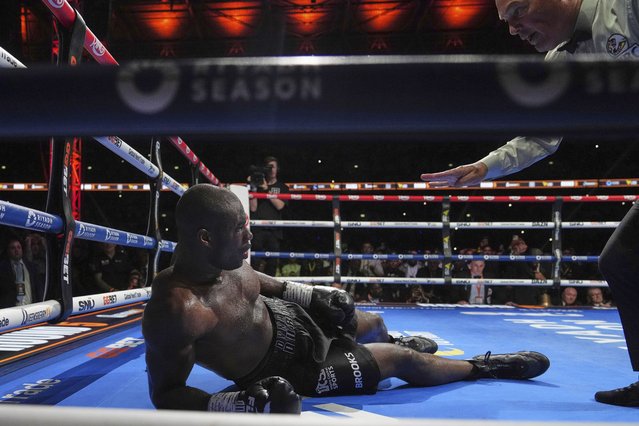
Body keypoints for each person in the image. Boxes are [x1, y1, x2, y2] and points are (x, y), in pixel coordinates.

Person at [142, 184, 549, 413]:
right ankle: (484, 366)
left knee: (371, 322)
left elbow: (257, 279)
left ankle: (386, 342)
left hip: (290, 318)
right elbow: (165, 394)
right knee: (402, 361)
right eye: (239, 230)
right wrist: (234, 403)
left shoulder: (223, 256)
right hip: (293, 368)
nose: (249, 237)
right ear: (205, 238)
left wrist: (306, 293)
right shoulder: (178, 310)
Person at [421, 0, 639, 407]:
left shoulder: (625, 5)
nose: (513, 29)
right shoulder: (561, 63)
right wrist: (484, 167)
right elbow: (541, 135)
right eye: (505, 20)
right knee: (624, 259)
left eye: (518, 11)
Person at [248, 156, 290, 276]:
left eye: (273, 167)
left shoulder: (282, 187)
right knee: (255, 262)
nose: (271, 169)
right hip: (258, 229)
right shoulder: (258, 184)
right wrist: (253, 187)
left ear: (277, 169)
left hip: (274, 230)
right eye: (269, 167)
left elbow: (280, 206)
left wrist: (267, 189)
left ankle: (270, 293)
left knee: (272, 264)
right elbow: (253, 207)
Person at [0, 236, 45, 308]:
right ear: (8, 250)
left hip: (30, 307)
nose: (16, 250)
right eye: (13, 248)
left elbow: (38, 288)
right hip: (10, 310)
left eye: (18, 247)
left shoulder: (31, 267)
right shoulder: (2, 268)